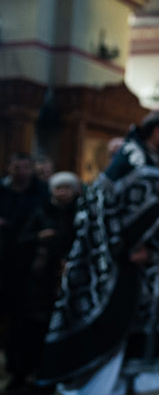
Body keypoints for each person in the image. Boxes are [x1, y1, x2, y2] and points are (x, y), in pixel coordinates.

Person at [39, 111, 159, 395]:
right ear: (158, 132)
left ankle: (141, 385)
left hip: (150, 272)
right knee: (115, 333)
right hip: (121, 267)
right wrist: (127, 246)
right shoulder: (134, 158)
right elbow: (109, 205)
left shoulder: (149, 159)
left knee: (143, 333)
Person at [12, 171, 82, 390]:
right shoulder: (40, 210)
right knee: (31, 329)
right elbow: (20, 240)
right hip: (38, 282)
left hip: (68, 280)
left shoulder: (80, 214)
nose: (63, 192)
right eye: (59, 188)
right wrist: (38, 238)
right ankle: (25, 372)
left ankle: (55, 371)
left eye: (67, 188)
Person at [0, 152, 50, 391]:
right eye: (16, 167)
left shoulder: (42, 192)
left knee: (26, 320)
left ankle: (26, 369)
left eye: (25, 168)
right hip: (4, 261)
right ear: (10, 168)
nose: (20, 172)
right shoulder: (3, 190)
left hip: (31, 266)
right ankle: (12, 367)